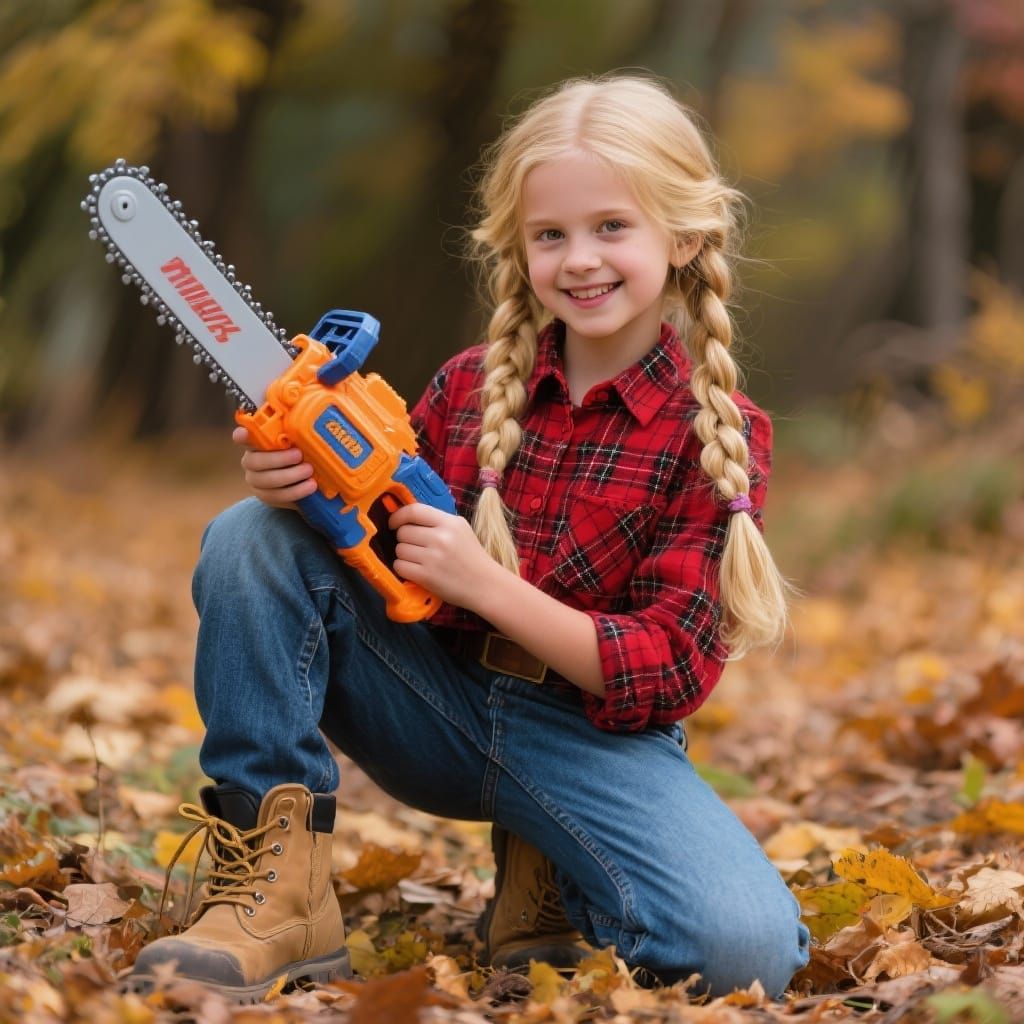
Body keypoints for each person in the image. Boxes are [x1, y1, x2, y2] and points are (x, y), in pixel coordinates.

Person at [129, 73, 810, 1001]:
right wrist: (297, 486)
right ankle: (280, 887)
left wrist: (490, 586)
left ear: (683, 236)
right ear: (518, 245)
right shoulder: (466, 388)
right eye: (551, 234)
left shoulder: (718, 434)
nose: (580, 259)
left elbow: (670, 669)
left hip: (590, 740)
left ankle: (553, 871)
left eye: (613, 227)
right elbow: (361, 541)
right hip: (430, 700)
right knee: (254, 535)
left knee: (743, 953)